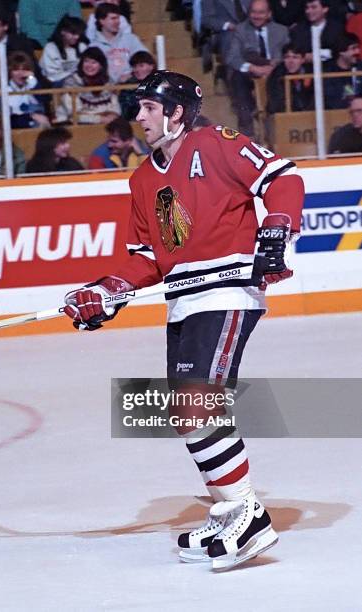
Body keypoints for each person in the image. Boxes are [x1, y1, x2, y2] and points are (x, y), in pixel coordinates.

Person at [62, 70, 305, 571]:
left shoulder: (217, 144)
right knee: (186, 413)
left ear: (176, 112)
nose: (139, 117)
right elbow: (149, 258)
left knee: (197, 406)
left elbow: (284, 178)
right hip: (186, 301)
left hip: (228, 291)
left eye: (149, 107)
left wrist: (278, 228)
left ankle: (247, 515)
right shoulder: (142, 178)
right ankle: (228, 508)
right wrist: (106, 290)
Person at [225, 0, 289, 136]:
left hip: (275, 71)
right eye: (253, 12)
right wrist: (253, 68)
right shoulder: (241, 30)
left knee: (284, 75)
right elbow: (232, 57)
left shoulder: (282, 31)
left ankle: (276, 123)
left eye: (261, 12)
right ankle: (247, 126)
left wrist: (273, 66)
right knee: (237, 77)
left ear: (269, 14)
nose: (256, 16)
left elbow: (288, 55)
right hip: (250, 72)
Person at [53, 46, 121, 124]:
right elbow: (74, 114)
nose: (89, 65)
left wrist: (113, 116)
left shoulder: (109, 82)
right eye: (86, 61)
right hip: (75, 124)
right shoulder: (71, 82)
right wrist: (99, 119)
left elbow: (115, 109)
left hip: (104, 122)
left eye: (94, 62)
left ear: (101, 66)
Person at [89, 2, 148, 83]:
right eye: (113, 18)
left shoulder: (131, 39)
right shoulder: (94, 46)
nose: (117, 22)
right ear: (102, 21)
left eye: (118, 18)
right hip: (108, 89)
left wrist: (132, 74)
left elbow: (145, 61)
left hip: (132, 84)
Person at [4, 51, 51, 128]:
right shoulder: (6, 89)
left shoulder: (32, 83)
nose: (21, 73)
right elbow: (11, 118)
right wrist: (32, 116)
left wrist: (32, 79)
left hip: (38, 124)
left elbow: (44, 100)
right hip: (17, 127)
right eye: (16, 70)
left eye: (24, 69)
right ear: (10, 72)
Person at [290, 0, 345, 64]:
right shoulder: (298, 30)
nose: (308, 11)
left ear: (325, 9)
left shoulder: (337, 28)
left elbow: (338, 51)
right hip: (306, 69)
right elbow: (296, 52)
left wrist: (317, 55)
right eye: (307, 8)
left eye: (313, 7)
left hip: (331, 68)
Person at [39, 16, 88, 87]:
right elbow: (52, 75)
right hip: (55, 83)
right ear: (62, 31)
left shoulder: (82, 46)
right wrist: (72, 76)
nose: (77, 37)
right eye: (73, 33)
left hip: (78, 82)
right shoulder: (51, 47)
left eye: (78, 34)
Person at [266, 42, 314, 113]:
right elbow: (277, 101)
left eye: (295, 57)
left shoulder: (311, 72)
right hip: (285, 115)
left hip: (310, 115)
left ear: (303, 60)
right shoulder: (277, 75)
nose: (290, 61)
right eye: (287, 57)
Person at [323, 34, 362, 109]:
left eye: (358, 48)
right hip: (335, 116)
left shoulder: (360, 67)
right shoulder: (327, 71)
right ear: (341, 51)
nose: (358, 51)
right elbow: (330, 99)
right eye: (353, 48)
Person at [118, 50, 155, 121]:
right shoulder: (128, 86)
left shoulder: (160, 82)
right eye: (135, 66)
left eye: (141, 66)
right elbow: (125, 112)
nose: (137, 70)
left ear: (151, 66)